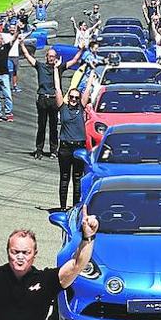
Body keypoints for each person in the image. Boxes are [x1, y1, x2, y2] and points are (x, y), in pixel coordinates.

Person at [53, 65, 90, 211]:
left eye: (76, 97)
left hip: (79, 147)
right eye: (72, 97)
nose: (74, 99)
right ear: (68, 98)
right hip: (65, 148)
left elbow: (87, 90)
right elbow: (57, 89)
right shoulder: (63, 107)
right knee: (64, 177)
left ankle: (75, 207)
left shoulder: (81, 107)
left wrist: (92, 73)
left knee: (77, 178)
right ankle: (62, 207)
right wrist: (56, 70)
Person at [19, 42, 62, 159]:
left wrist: (82, 49)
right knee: (41, 126)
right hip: (43, 99)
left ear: (56, 58)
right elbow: (28, 57)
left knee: (54, 127)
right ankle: (39, 150)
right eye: (49, 56)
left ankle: (54, 150)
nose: (51, 58)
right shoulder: (40, 66)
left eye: (53, 56)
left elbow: (74, 61)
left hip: (54, 100)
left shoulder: (58, 68)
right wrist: (22, 44)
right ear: (46, 57)